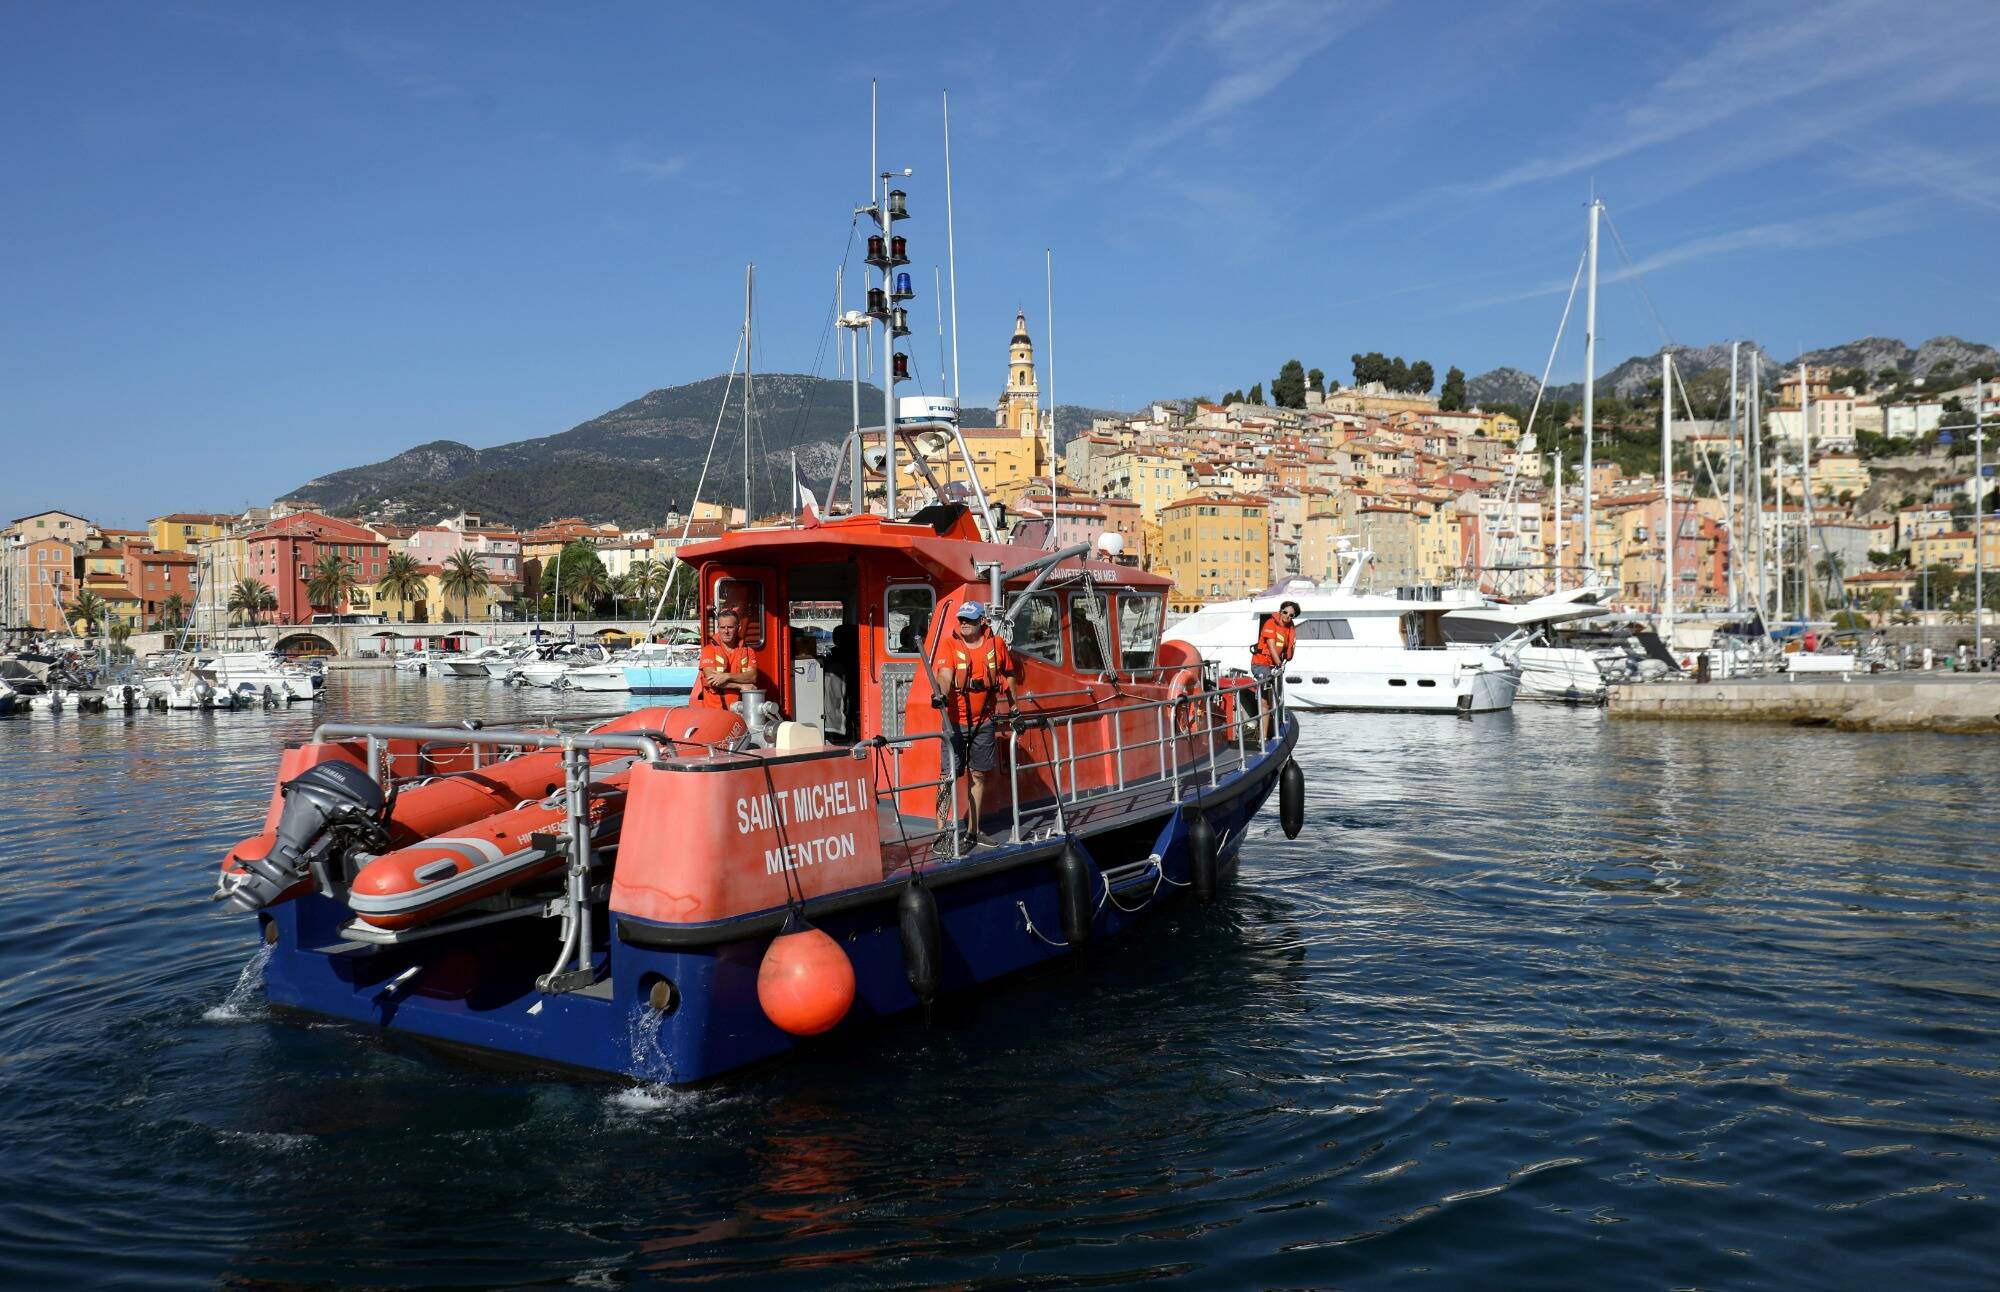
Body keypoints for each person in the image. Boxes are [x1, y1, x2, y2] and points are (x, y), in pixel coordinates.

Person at [931, 600, 1014, 847]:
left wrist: (1015, 707)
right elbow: (944, 675)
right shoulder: (949, 645)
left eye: (969, 619)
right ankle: (940, 833)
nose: (964, 623)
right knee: (947, 777)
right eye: (961, 619)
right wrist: (942, 694)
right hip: (954, 724)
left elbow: (1008, 674)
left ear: (982, 621)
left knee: (978, 776)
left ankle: (974, 831)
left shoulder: (996, 644)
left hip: (984, 723)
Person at [693, 607, 760, 712]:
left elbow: (752, 677)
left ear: (738, 627)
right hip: (715, 714)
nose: (726, 631)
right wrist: (740, 685)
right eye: (722, 627)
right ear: (718, 628)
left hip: (741, 713)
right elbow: (712, 680)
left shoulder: (748, 651)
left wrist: (726, 676)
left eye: (730, 627)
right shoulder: (708, 651)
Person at [1249, 600, 1299, 740]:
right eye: (1285, 612)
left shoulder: (1290, 628)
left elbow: (1287, 651)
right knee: (1266, 700)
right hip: (1261, 664)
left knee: (1275, 698)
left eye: (1291, 615)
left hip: (1274, 667)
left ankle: (1270, 732)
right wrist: (1279, 664)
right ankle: (1263, 736)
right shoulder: (1270, 624)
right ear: (1280, 611)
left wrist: (1279, 664)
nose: (1287, 616)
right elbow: (1271, 646)